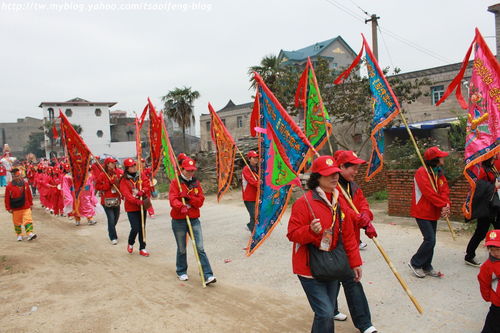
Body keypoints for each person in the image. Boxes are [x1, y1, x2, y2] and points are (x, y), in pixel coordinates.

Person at [287, 155, 362, 333]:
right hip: (308, 268)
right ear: (317, 178)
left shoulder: (339, 201)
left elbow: (349, 235)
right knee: (326, 312)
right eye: (329, 174)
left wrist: (355, 262)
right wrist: (310, 231)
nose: (335, 177)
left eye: (336, 173)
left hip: (331, 264)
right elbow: (292, 234)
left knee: (323, 313)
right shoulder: (303, 203)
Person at [334, 150, 379, 333]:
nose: (356, 171)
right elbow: (341, 211)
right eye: (353, 167)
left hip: (352, 239)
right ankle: (363, 323)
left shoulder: (354, 186)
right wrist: (356, 217)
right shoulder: (333, 187)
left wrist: (366, 217)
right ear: (342, 167)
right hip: (336, 241)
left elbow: (363, 205)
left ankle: (359, 321)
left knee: (343, 278)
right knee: (347, 278)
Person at [169, 157, 216, 284]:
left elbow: (200, 201)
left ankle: (207, 274)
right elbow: (173, 200)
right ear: (182, 169)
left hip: (194, 219)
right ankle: (181, 271)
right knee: (182, 248)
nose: (190, 173)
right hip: (179, 220)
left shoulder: (196, 183)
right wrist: (181, 206)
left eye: (192, 171)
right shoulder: (175, 183)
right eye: (188, 170)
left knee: (200, 247)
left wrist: (189, 198)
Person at [408, 146, 450, 278]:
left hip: (433, 211)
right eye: (441, 156)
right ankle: (415, 263)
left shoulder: (438, 171)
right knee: (430, 239)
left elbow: (444, 188)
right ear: (435, 159)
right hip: (422, 211)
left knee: (432, 239)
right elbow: (429, 193)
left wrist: (446, 204)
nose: (443, 158)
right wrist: (442, 204)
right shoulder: (422, 172)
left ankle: (427, 266)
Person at [465, 155, 500, 267]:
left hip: (495, 206)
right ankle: (469, 256)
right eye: (494, 155)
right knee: (480, 233)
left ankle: (495, 254)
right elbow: (478, 187)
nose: (496, 155)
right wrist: (494, 186)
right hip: (486, 207)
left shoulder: (492, 167)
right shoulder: (482, 170)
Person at [119, 158, 151, 257]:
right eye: (131, 166)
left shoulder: (140, 175)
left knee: (142, 227)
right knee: (135, 227)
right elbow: (127, 195)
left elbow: (147, 185)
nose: (133, 167)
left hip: (142, 206)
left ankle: (142, 247)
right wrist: (137, 201)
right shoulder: (124, 180)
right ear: (127, 168)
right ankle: (131, 242)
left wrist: (143, 191)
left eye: (134, 165)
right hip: (131, 207)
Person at [95, 157, 122, 245]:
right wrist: (108, 183)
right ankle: (113, 237)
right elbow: (97, 187)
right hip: (107, 200)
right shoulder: (102, 175)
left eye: (114, 163)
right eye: (112, 163)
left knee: (116, 218)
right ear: (107, 164)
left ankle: (111, 229)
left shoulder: (118, 172)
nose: (114, 164)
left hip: (116, 199)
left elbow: (122, 183)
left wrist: (117, 182)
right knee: (111, 218)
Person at [4, 168, 37, 241]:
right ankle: (19, 235)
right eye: (15, 176)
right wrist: (8, 208)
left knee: (28, 220)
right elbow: (7, 198)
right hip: (16, 207)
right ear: (13, 177)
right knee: (17, 222)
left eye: (18, 176)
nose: (17, 177)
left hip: (26, 205)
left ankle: (29, 233)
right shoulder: (9, 186)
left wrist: (31, 203)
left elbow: (29, 194)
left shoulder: (25, 184)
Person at [478, 229, 500, 333]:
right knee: (492, 327)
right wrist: (488, 297)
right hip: (497, 303)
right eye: (492, 249)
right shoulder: (487, 266)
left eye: (498, 249)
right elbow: (484, 283)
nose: (495, 253)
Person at [242, 150, 259, 232]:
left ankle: (250, 226)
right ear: (249, 159)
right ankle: (253, 232)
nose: (256, 159)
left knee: (257, 215)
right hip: (249, 197)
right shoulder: (246, 169)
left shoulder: (258, 168)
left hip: (257, 196)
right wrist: (262, 184)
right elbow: (252, 182)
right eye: (254, 158)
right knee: (254, 215)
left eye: (257, 157)